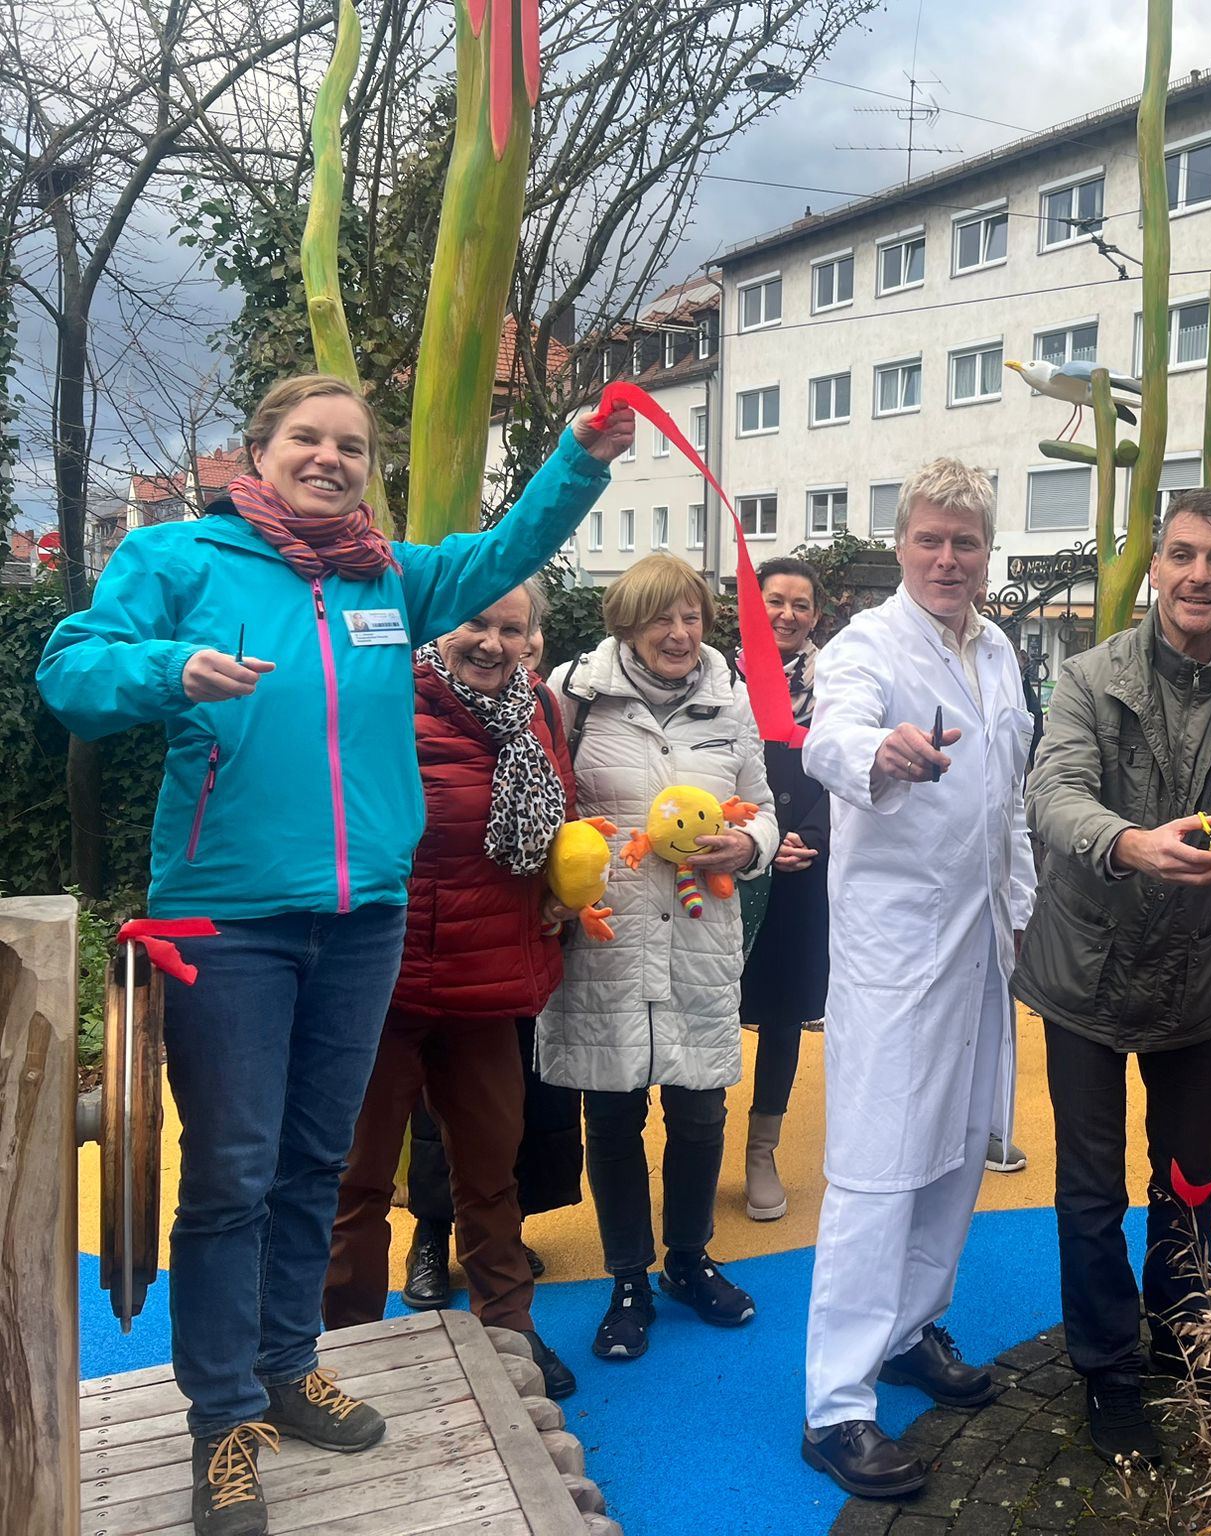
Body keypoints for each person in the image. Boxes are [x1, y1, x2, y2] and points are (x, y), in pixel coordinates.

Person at [36, 373, 625, 1536]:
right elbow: (69, 672)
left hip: (365, 919)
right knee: (228, 1178)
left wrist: (581, 453)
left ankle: (286, 1365)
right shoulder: (181, 560)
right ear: (259, 452)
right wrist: (169, 671)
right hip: (226, 920)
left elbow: (517, 540)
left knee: (314, 1161)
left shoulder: (390, 577)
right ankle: (220, 1425)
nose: (330, 457)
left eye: (351, 444)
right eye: (307, 437)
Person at [1015, 489, 1211, 1460]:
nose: (1198, 575)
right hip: (1085, 979)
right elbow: (1050, 793)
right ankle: (1105, 1368)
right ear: (1154, 569)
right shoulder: (1088, 678)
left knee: (1187, 1180)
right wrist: (1127, 844)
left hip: (1193, 975)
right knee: (1091, 1188)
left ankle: (1181, 1331)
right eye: (1181, 555)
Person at [799, 458, 1035, 1500]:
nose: (947, 559)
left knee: (954, 1154)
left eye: (966, 542)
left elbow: (1010, 798)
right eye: (930, 540)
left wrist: (1020, 906)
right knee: (875, 1167)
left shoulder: (996, 650)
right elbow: (828, 736)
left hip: (981, 942)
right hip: (895, 953)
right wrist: (878, 754)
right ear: (900, 545)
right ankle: (834, 1406)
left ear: (988, 554)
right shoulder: (865, 646)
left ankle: (908, 1330)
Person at [322, 579, 577, 1399]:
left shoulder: (541, 713)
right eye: (477, 622)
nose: (493, 642)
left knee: (491, 1171)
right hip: (381, 985)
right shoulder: (388, 695)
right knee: (355, 1179)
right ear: (441, 625)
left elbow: (558, 827)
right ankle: (343, 1347)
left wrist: (561, 894)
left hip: (483, 981)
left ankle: (511, 1331)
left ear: (532, 638)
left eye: (512, 627)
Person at [538, 552, 779, 1360]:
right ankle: (628, 1280)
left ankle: (688, 1258)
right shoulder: (575, 694)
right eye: (661, 618)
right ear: (627, 624)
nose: (680, 634)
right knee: (611, 1114)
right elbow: (547, 801)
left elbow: (767, 808)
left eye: (692, 618)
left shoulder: (728, 696)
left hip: (699, 934)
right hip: (609, 939)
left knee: (701, 1110)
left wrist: (748, 843)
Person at [737, 555, 832, 1222]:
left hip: (805, 865)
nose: (788, 615)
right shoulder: (716, 678)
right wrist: (755, 839)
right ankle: (699, 1138)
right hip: (730, 858)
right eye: (776, 601)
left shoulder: (837, 682)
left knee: (781, 1011)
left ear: (816, 616)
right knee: (713, 1000)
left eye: (801, 605)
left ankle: (761, 1149)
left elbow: (850, 768)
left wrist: (810, 834)